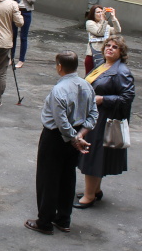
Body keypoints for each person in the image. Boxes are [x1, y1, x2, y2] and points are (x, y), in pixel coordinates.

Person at [25, 51, 97, 235]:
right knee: (67, 177)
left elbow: (61, 121)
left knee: (48, 179)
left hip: (55, 137)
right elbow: (93, 114)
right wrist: (80, 135)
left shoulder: (59, 90)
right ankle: (63, 219)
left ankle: (45, 222)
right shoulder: (86, 86)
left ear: (59, 67)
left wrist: (74, 137)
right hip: (76, 136)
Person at [75, 35, 135, 208]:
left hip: (104, 118)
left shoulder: (122, 71)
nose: (110, 48)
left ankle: (89, 196)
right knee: (95, 155)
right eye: (108, 45)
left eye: (115, 47)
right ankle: (95, 190)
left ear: (121, 52)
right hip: (95, 115)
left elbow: (127, 97)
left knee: (92, 155)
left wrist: (103, 99)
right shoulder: (103, 65)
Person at [12, 0, 39, 68]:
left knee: (23, 37)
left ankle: (21, 60)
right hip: (16, 11)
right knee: (13, 35)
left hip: (26, 12)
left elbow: (32, 1)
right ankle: (11, 58)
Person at [85, 4, 122, 75]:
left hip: (103, 55)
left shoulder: (105, 24)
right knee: (90, 77)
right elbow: (100, 33)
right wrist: (103, 21)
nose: (100, 14)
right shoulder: (90, 23)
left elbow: (117, 30)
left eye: (102, 12)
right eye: (98, 12)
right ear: (93, 14)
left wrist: (113, 17)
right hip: (92, 55)